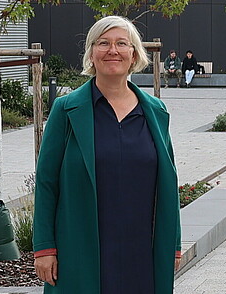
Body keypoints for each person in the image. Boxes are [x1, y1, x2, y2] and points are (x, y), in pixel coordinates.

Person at [31, 16, 183, 294]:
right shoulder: (66, 110)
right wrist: (44, 247)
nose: (112, 50)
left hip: (142, 250)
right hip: (80, 247)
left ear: (134, 54)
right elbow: (46, 182)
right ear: (91, 53)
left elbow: (168, 182)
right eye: (103, 43)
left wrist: (172, 243)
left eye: (121, 44)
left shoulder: (156, 112)